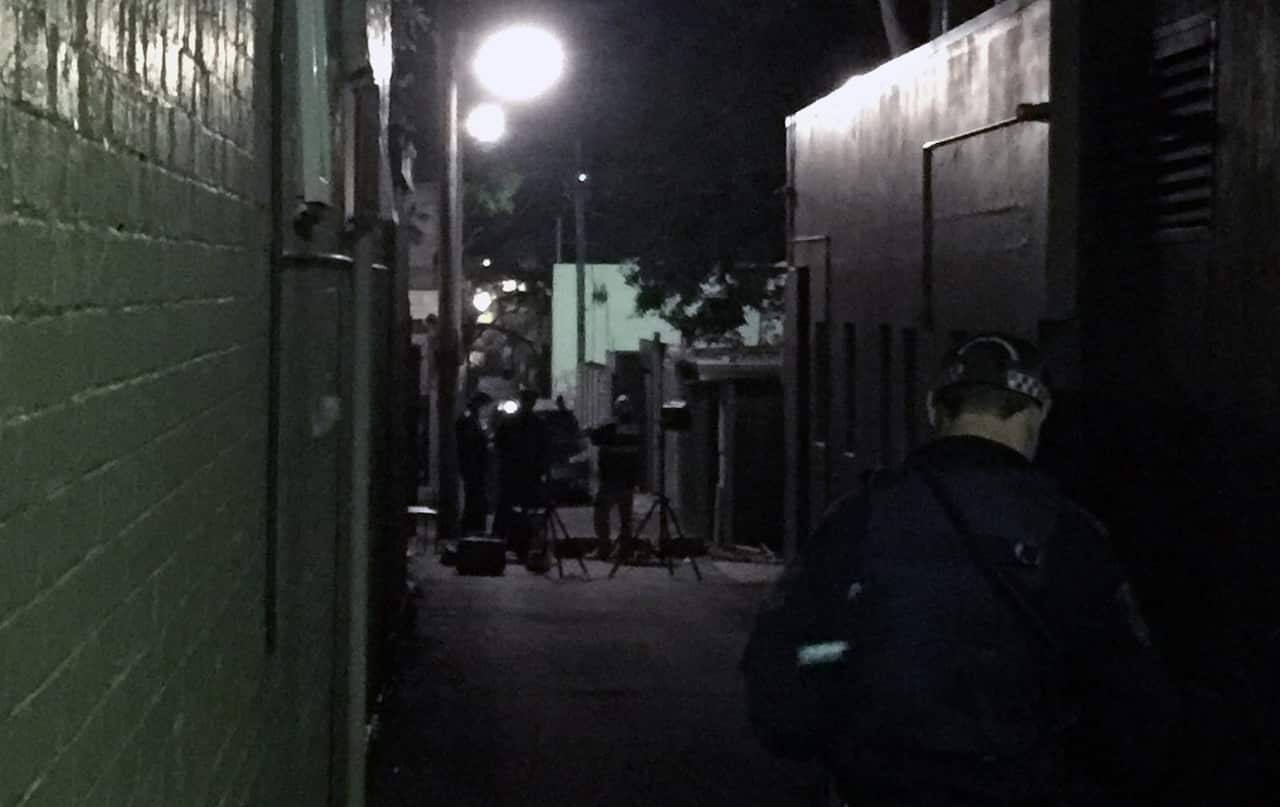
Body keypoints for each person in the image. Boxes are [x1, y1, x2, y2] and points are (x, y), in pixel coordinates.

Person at [741, 334, 1177, 806]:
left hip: (878, 785)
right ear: (1039, 411)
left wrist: (824, 725)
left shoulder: (862, 515)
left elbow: (783, 651)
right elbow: (1127, 689)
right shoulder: (1068, 531)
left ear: (935, 410)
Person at [492, 387, 551, 559]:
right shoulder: (528, 423)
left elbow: (543, 449)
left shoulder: (530, 424)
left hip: (521, 473)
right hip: (519, 473)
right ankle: (510, 542)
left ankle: (513, 542)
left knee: (519, 509)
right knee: (514, 509)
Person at [589, 394, 643, 560]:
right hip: (627, 480)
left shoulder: (611, 427)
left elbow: (595, 437)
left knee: (601, 513)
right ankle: (624, 550)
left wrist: (593, 429)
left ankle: (604, 547)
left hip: (611, 480)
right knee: (625, 518)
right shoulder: (635, 428)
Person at [456, 392, 492, 535]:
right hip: (472, 466)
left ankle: (474, 525)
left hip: (475, 466)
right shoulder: (469, 419)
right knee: (474, 496)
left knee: (476, 497)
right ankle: (472, 526)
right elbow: (469, 442)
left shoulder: (473, 419)